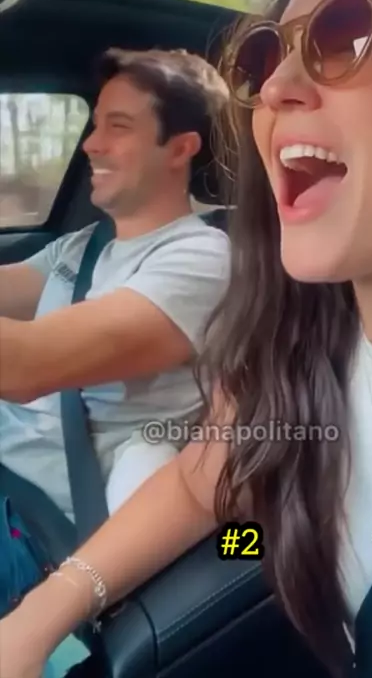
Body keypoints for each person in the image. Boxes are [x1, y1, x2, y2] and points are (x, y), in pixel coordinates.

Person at [1, 0, 372, 678]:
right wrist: (49, 610)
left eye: (346, 35)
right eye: (264, 56)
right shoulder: (291, 351)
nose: (275, 87)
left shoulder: (195, 260)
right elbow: (204, 490)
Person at [0, 47, 231, 610]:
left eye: (117, 126)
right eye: (95, 123)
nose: (91, 143)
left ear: (180, 148)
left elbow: (24, 366)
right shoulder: (82, 246)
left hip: (39, 529)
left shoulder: (203, 258)